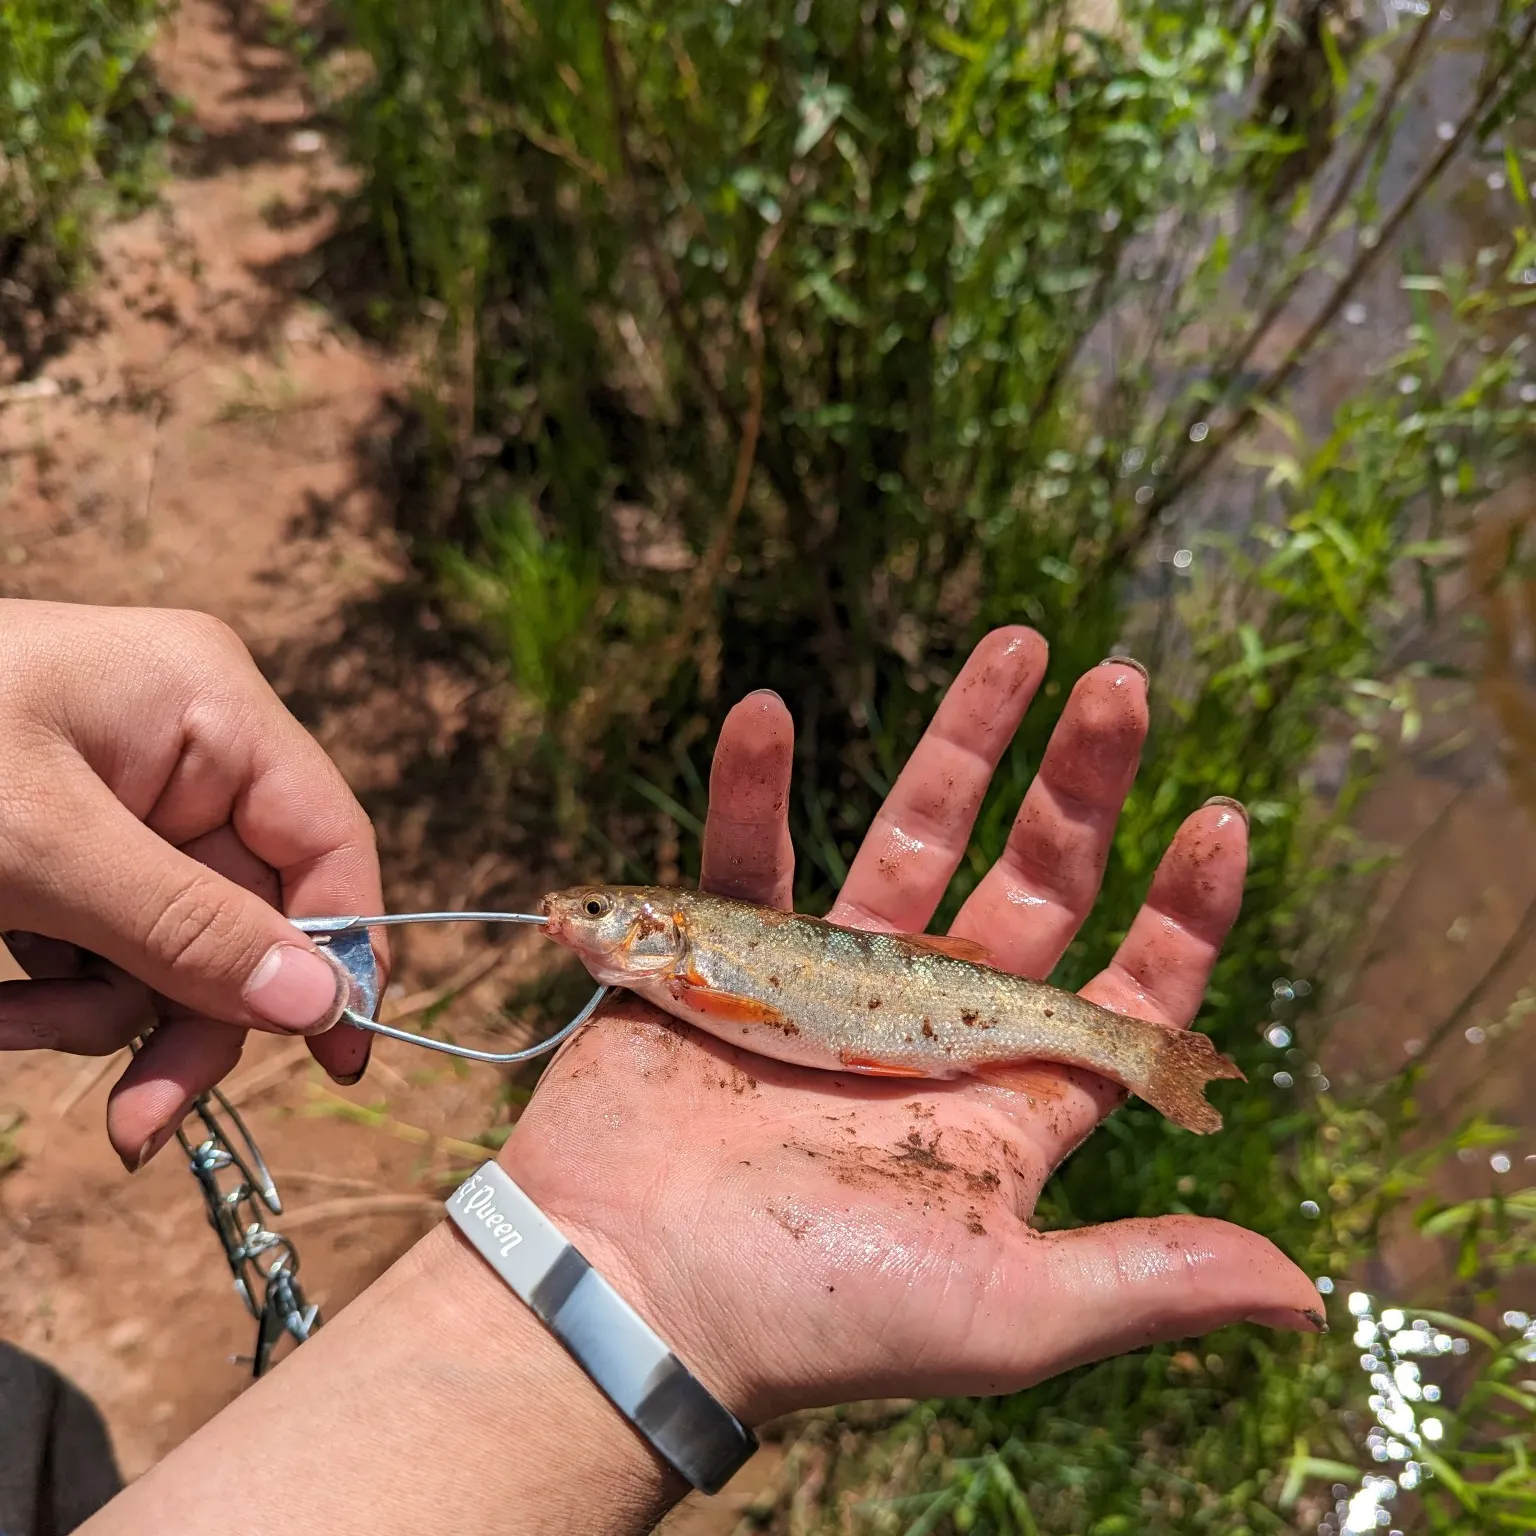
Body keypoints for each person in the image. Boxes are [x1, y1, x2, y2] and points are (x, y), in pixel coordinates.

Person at [0, 599, 1322, 1536]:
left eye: (594, 914)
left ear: (647, 934)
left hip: (932, 1013)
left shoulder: (682, 958)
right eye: (586, 916)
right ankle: (1138, 1055)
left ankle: (1139, 1055)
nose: (576, 927)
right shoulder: (663, 967)